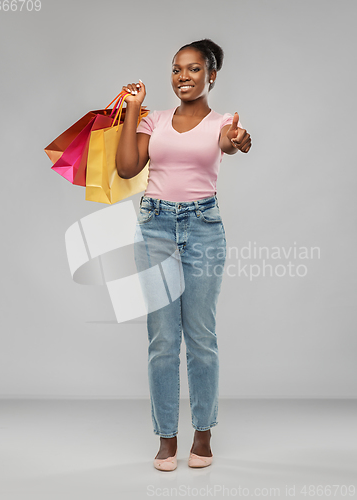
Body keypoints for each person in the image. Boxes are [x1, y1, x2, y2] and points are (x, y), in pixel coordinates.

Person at [115, 38, 252, 471]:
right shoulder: (153, 119)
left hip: (204, 229)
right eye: (176, 70)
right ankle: (166, 437)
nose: (183, 78)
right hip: (154, 227)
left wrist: (239, 141)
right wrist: (133, 110)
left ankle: (204, 434)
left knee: (201, 337)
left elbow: (232, 144)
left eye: (193, 70)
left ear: (211, 75)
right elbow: (126, 168)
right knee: (162, 339)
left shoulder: (224, 122)